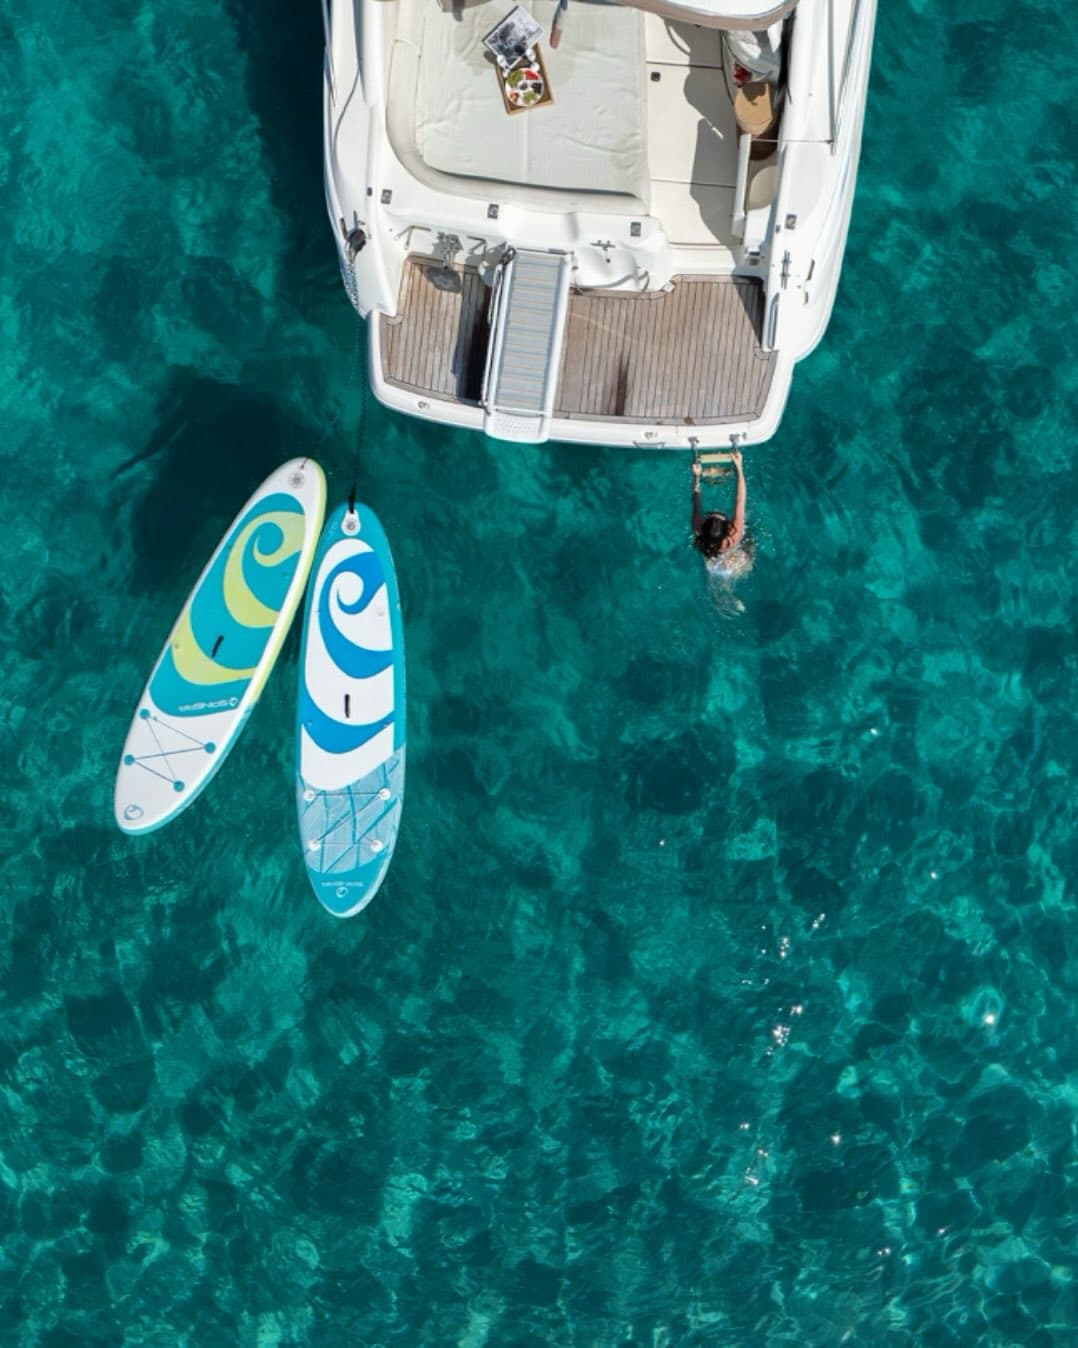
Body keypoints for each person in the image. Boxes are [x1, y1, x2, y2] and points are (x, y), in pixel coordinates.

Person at [691, 450, 754, 578]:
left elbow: (696, 499)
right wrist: (739, 467)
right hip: (730, 554)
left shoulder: (698, 527)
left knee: (712, 560)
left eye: (712, 514)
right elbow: (740, 499)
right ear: (727, 527)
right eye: (719, 515)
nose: (716, 509)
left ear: (704, 523)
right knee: (745, 560)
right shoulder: (734, 534)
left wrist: (696, 476)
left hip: (710, 554)